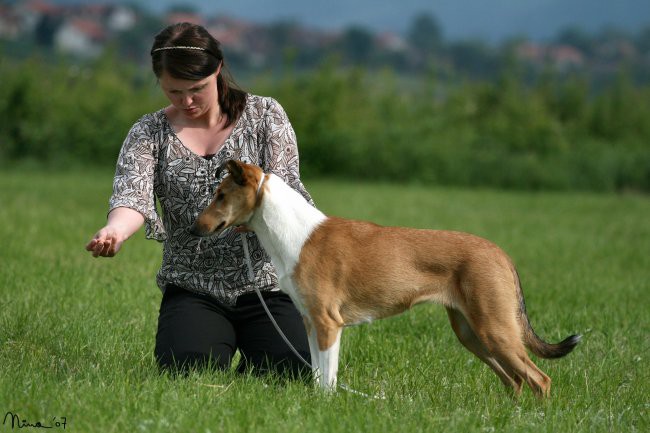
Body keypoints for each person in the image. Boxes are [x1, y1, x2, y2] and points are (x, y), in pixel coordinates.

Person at [85, 22, 312, 378]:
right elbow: (132, 194)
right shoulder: (148, 132)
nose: (187, 101)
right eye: (174, 91)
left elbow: (290, 191)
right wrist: (115, 230)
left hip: (269, 285)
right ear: (159, 80)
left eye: (197, 89)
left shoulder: (266, 117)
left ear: (218, 70)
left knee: (290, 373)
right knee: (188, 371)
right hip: (193, 286)